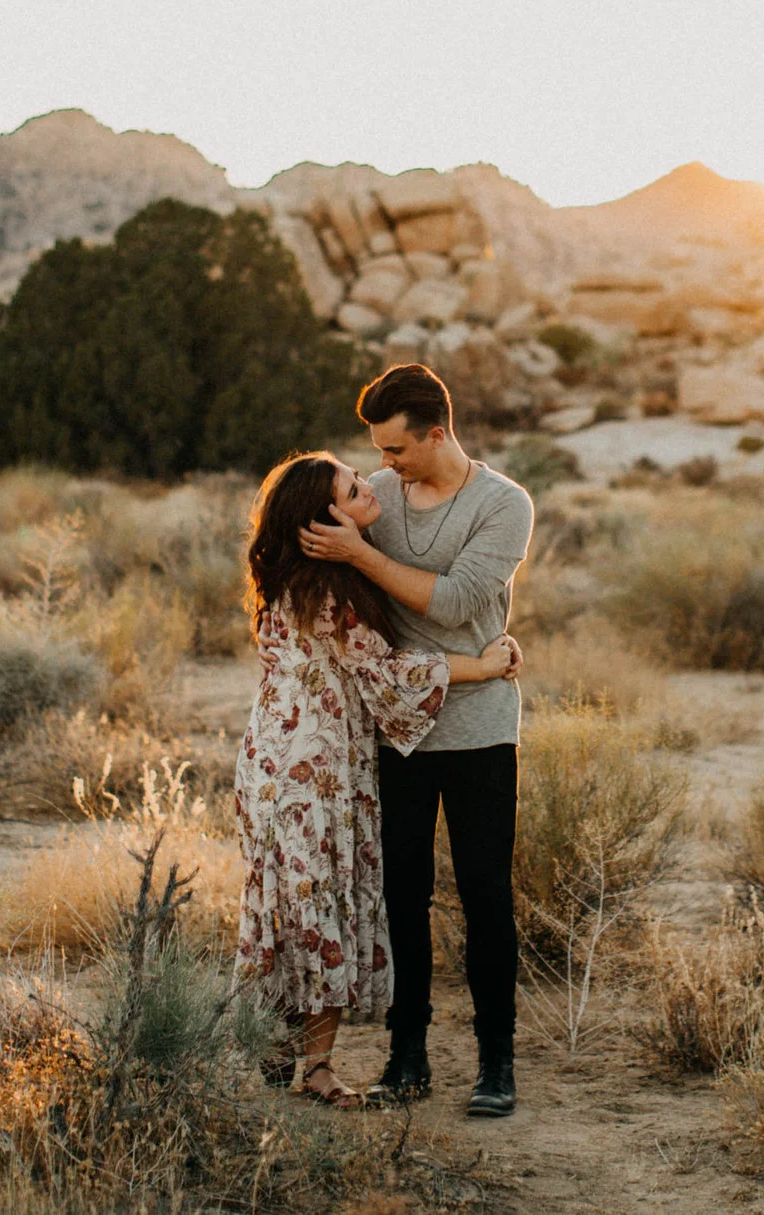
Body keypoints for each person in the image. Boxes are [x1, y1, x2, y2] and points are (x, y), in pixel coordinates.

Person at [235, 450, 522, 1110]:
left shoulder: (289, 578)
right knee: (319, 907)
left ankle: (284, 1053)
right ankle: (317, 1065)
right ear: (327, 518)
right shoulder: (330, 589)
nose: (376, 487)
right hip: (316, 769)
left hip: (269, 763)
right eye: (357, 487)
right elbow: (389, 676)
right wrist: (485, 665)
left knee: (285, 905)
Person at [299, 363, 534, 1118]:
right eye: (378, 451)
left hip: (480, 729)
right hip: (394, 732)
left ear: (437, 432)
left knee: (486, 895)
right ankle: (409, 1057)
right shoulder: (374, 497)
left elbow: (460, 598)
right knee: (401, 896)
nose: (385, 465)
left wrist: (360, 555)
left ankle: (496, 1061)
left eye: (397, 449)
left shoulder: (504, 505)